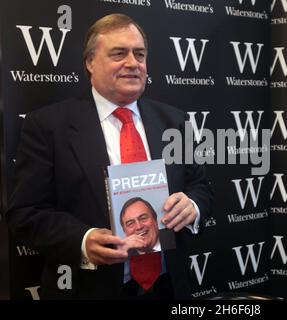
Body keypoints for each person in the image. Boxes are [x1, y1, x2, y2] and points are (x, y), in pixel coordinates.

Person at [6, 13, 213, 299]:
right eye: (119, 54)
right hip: (88, 289)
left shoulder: (174, 122)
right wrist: (83, 240)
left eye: (139, 54)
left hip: (169, 286)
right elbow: (24, 214)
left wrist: (193, 206)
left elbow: (200, 187)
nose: (132, 63)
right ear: (90, 62)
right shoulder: (48, 126)